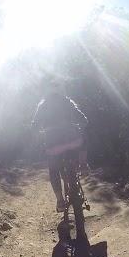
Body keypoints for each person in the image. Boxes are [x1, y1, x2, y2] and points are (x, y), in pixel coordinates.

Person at [32, 79, 89, 212]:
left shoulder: (43, 105)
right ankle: (83, 164)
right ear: (61, 90)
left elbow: (34, 125)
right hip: (71, 141)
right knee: (83, 138)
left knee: (53, 170)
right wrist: (81, 124)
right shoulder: (67, 102)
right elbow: (83, 119)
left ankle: (60, 201)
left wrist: (39, 134)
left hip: (53, 144)